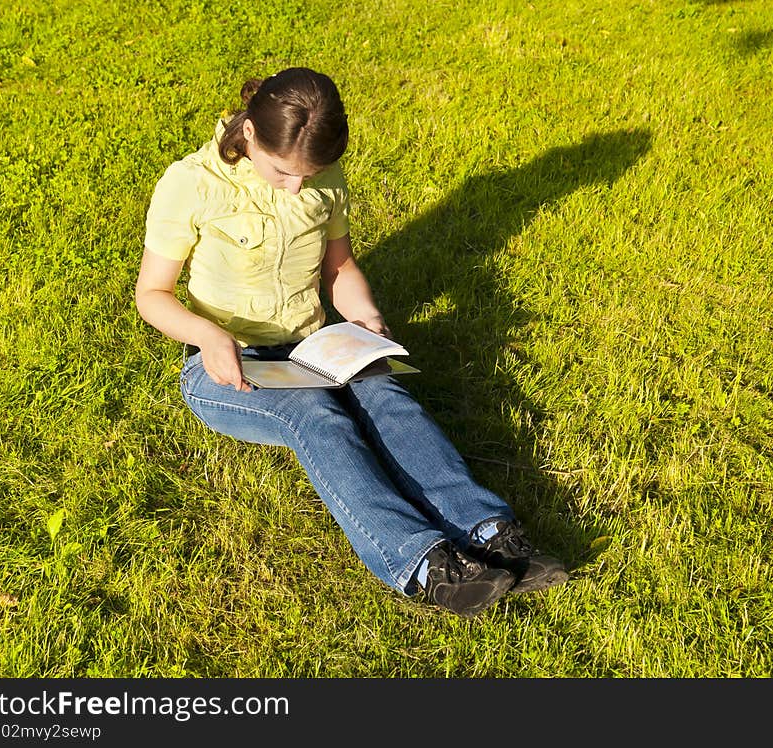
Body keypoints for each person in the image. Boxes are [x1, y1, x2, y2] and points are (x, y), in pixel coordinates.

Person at [135, 67, 569, 617]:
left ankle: (489, 533)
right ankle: (421, 564)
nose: (297, 185)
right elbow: (152, 293)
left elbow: (339, 266)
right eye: (281, 171)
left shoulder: (326, 179)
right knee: (318, 417)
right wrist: (208, 335)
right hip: (223, 362)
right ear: (248, 134)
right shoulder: (190, 183)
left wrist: (363, 316)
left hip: (314, 345)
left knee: (389, 399)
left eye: (308, 174)